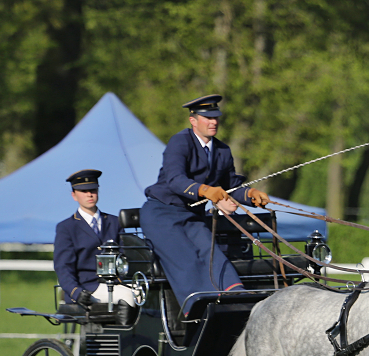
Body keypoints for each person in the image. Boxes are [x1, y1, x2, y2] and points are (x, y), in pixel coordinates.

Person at [141, 94, 270, 318]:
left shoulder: (222, 150)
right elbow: (174, 179)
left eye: (216, 117)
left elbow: (230, 187)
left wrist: (250, 194)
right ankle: (199, 312)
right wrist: (205, 190)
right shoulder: (179, 142)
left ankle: (236, 301)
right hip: (162, 215)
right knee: (187, 261)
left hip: (191, 217)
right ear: (193, 120)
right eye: (207, 117)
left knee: (213, 255)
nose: (213, 122)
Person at [54, 169, 136, 307]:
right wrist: (76, 292)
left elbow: (125, 255)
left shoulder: (115, 222)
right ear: (74, 195)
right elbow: (63, 268)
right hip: (86, 288)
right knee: (129, 296)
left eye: (92, 190)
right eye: (83, 191)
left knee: (146, 294)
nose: (89, 194)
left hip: (116, 284)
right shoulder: (67, 227)